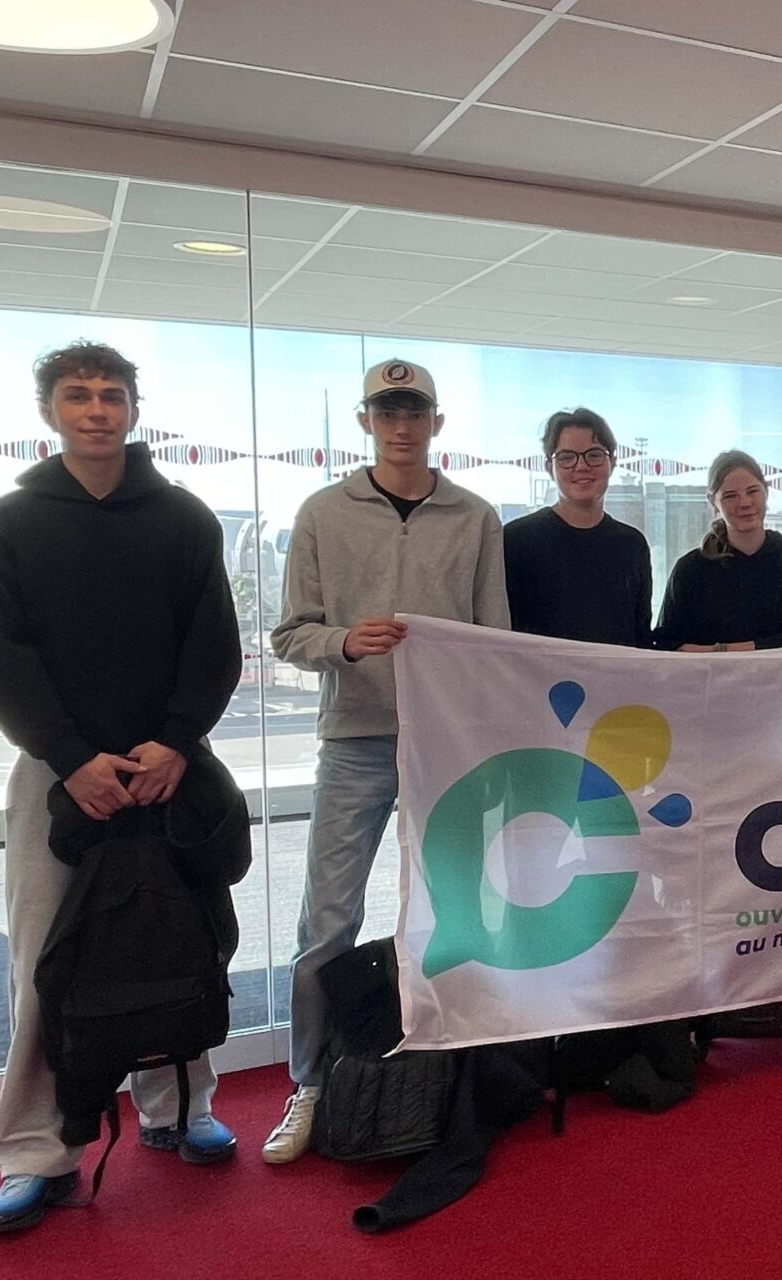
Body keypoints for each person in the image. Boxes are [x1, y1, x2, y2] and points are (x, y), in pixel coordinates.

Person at [0, 342, 244, 1235]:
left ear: (133, 408)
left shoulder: (184, 520)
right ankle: (36, 1151)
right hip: (57, 773)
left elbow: (214, 648)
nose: (97, 409)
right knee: (44, 961)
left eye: (112, 395)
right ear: (50, 411)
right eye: (78, 396)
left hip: (171, 769)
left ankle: (182, 1110)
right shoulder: (6, 525)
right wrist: (70, 756)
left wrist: (173, 744)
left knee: (181, 943)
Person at [263, 359, 509, 1164]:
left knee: (451, 912)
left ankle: (444, 1067)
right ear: (367, 421)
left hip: (446, 745)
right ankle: (309, 1083)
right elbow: (290, 633)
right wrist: (342, 641)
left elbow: (492, 639)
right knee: (327, 920)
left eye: (416, 410)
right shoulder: (323, 513)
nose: (402, 423)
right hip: (357, 743)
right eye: (387, 409)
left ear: (436, 423)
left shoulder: (474, 517)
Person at [505, 407, 652, 647]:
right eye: (566, 457)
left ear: (612, 462)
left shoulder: (632, 545)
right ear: (548, 468)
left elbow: (641, 639)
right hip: (539, 682)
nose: (581, 466)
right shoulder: (516, 541)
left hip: (615, 682)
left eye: (594, 455)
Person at [652, 449, 782, 652]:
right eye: (730, 496)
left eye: (752, 491)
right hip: (706, 684)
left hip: (777, 684)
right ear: (712, 502)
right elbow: (667, 643)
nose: (744, 503)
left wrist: (718, 651)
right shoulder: (690, 569)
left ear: (766, 492)